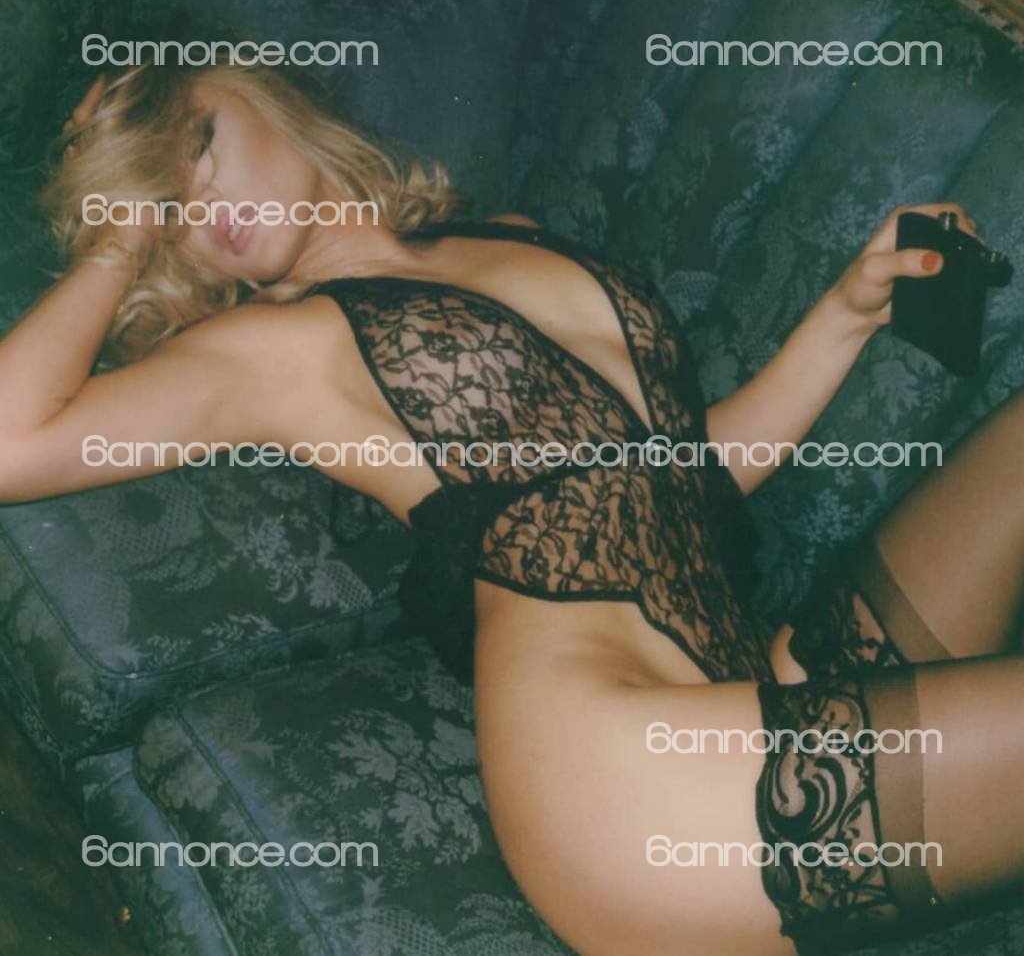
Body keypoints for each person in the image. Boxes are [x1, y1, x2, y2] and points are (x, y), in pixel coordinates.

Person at [1, 62, 1021, 956]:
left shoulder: (508, 240)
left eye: (196, 145)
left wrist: (846, 314)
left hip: (764, 685)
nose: (199, 200)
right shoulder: (270, 354)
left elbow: (682, 475)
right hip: (625, 783)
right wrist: (117, 241)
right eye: (166, 205)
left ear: (265, 93)